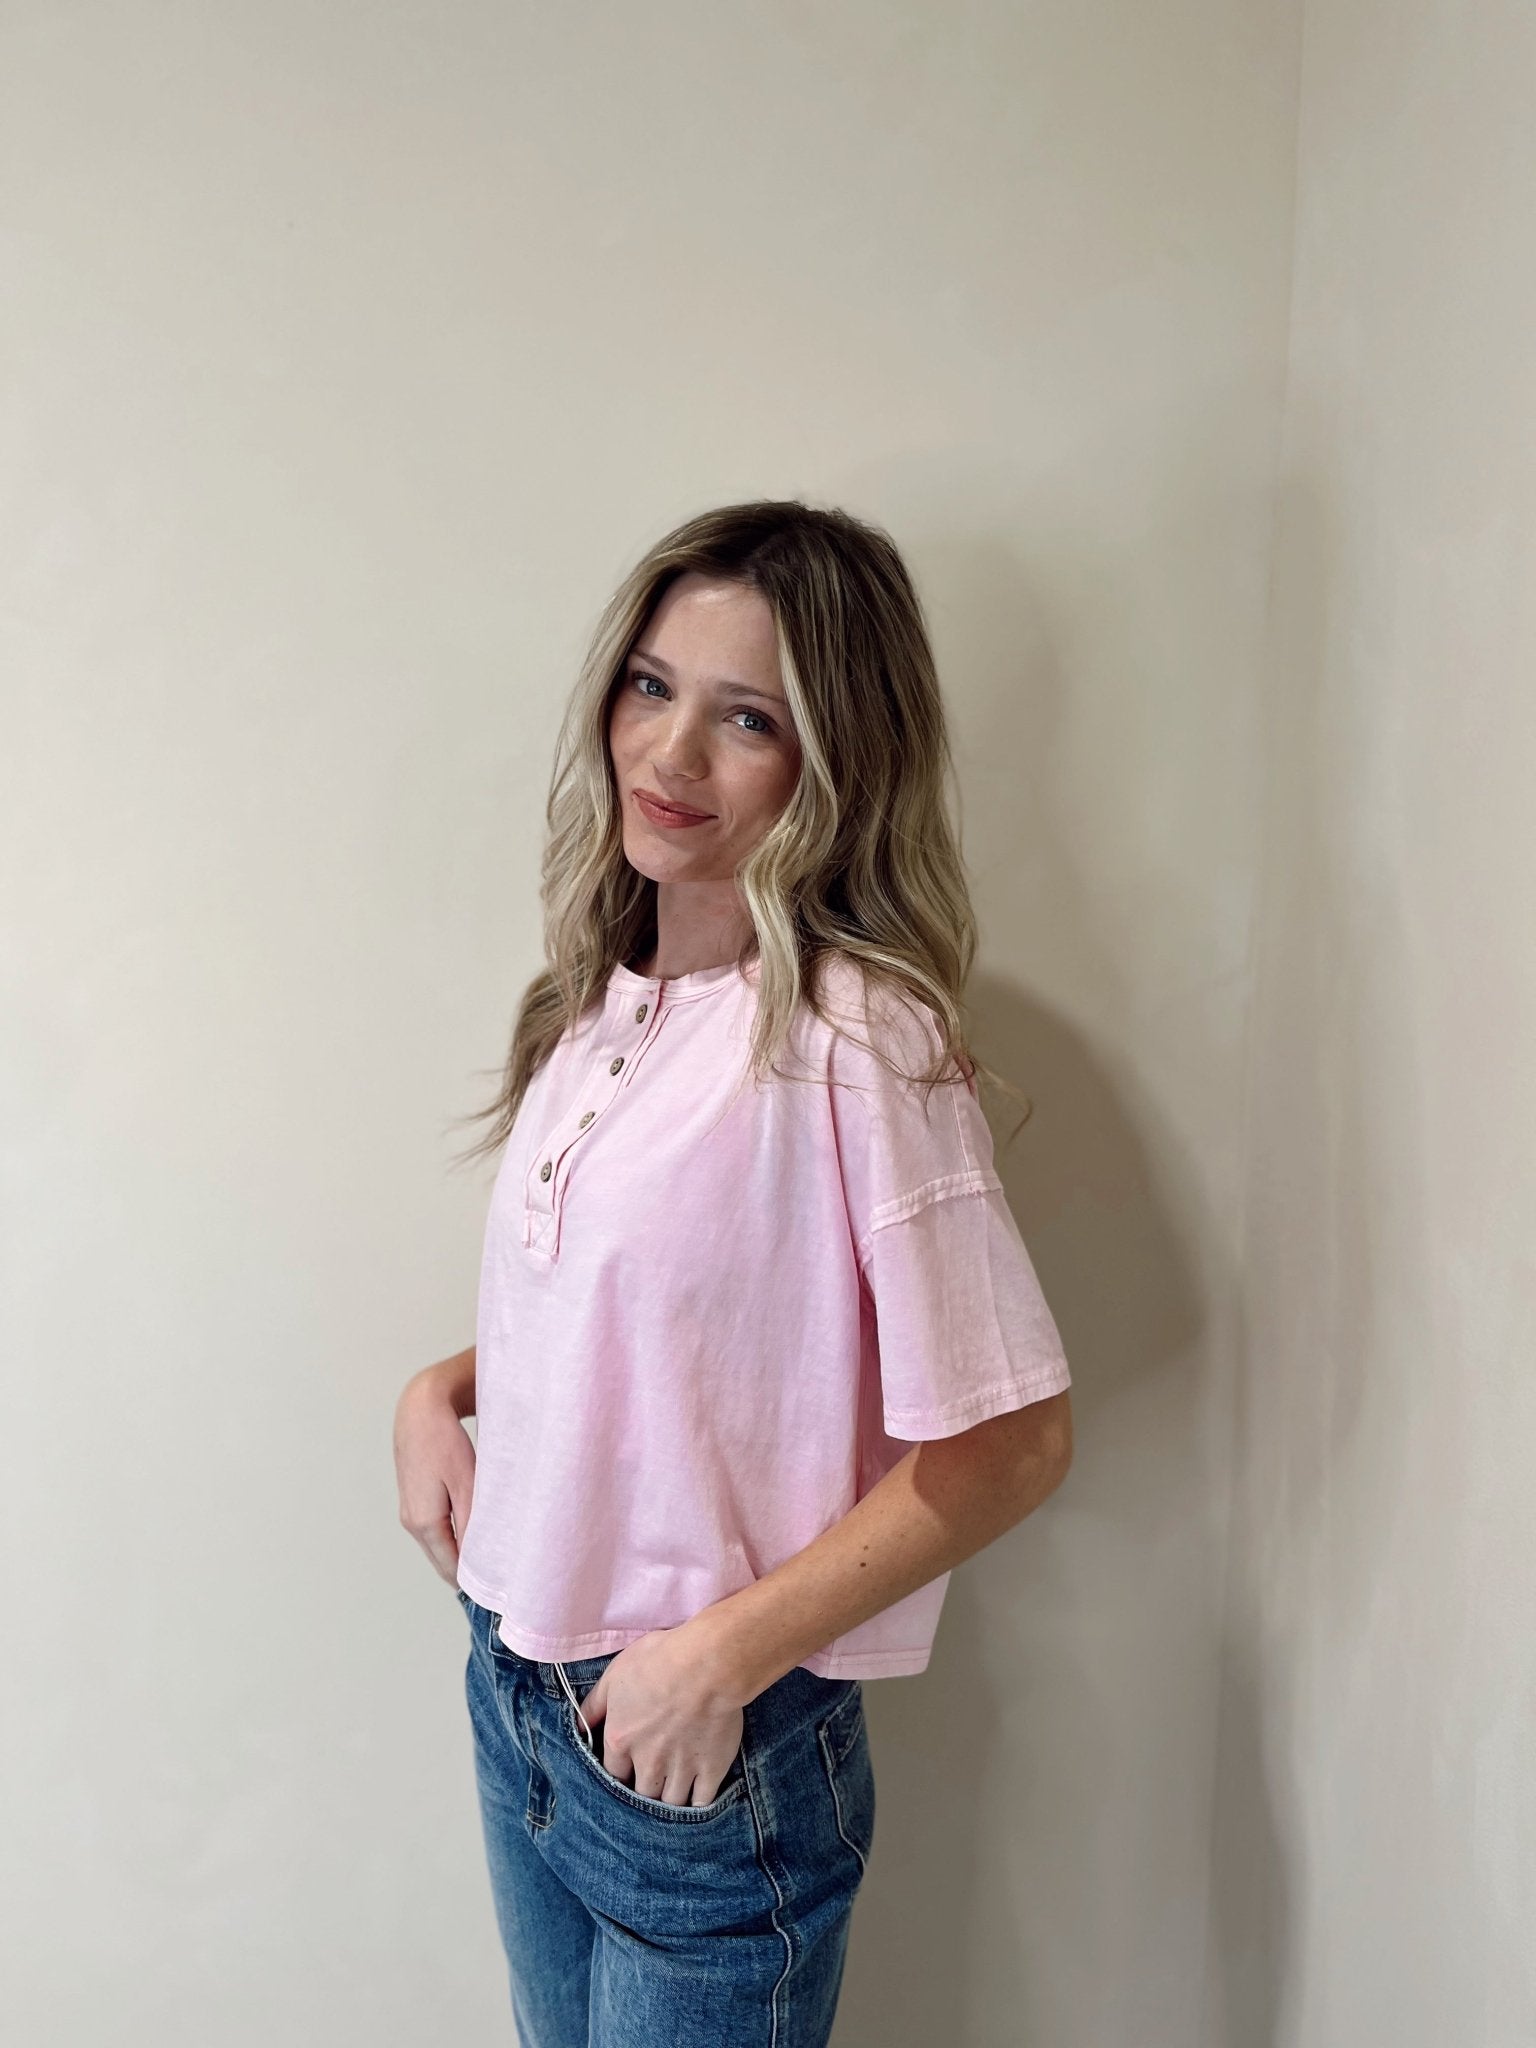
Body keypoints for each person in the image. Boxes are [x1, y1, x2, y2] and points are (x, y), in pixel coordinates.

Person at [392, 498, 1074, 2047]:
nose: (672, 753)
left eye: (747, 718)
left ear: (834, 762)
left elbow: (1015, 1437)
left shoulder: (860, 1039)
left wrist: (715, 1661)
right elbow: (680, 1323)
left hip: (702, 1747)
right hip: (521, 1693)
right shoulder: (592, 1002)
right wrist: (442, 1389)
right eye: (651, 687)